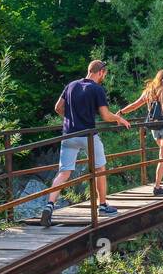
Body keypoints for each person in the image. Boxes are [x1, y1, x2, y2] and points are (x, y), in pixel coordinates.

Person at [40, 60, 130, 226]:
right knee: (100, 168)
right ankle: (102, 205)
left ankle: (49, 205)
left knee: (64, 172)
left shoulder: (71, 85)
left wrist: (71, 119)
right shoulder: (97, 89)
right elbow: (105, 115)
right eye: (104, 74)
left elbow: (58, 107)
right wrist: (119, 118)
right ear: (100, 72)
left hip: (69, 135)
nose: (104, 77)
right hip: (88, 135)